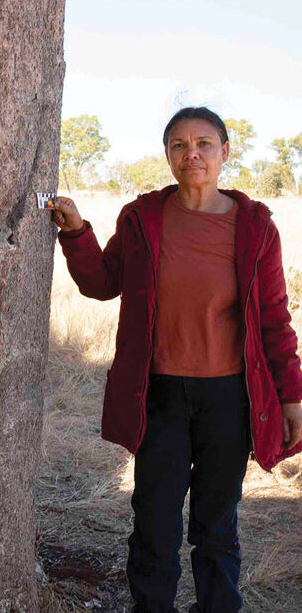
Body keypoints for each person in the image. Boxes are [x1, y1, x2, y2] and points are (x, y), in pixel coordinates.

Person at [52, 106, 302, 613]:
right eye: (179, 146)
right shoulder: (143, 218)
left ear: (225, 153)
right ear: (167, 156)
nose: (192, 155)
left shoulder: (255, 226)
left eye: (204, 144)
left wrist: (293, 396)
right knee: (155, 524)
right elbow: (101, 282)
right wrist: (77, 231)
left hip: (228, 398)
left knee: (217, 525)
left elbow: (274, 319)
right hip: (159, 394)